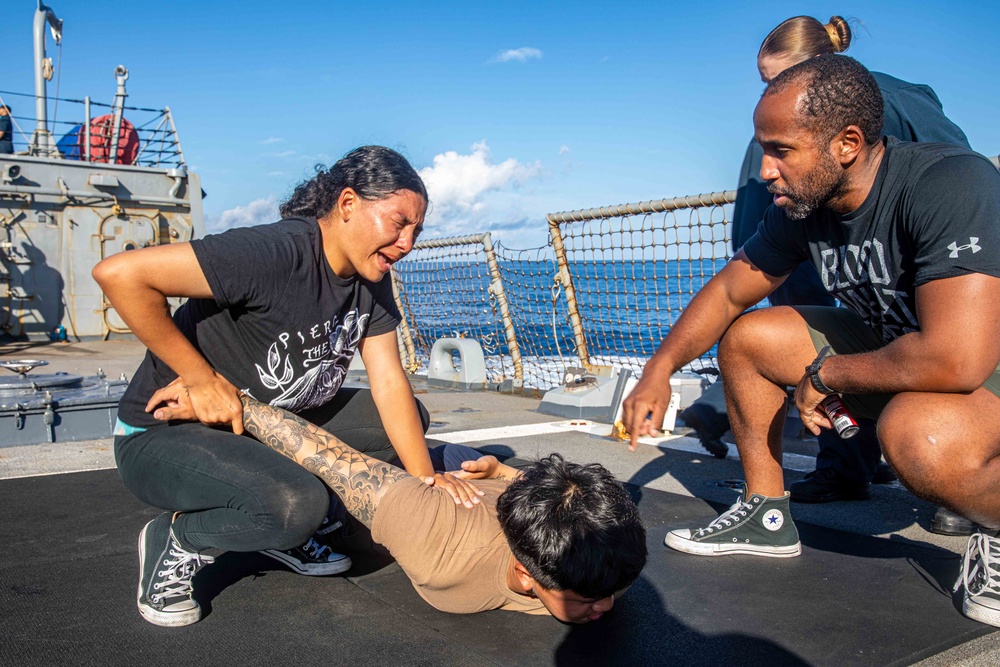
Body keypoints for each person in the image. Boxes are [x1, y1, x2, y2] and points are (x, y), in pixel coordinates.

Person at [622, 55, 1000, 628]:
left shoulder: (950, 181)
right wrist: (659, 368)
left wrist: (826, 376)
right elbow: (729, 291)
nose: (766, 170)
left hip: (979, 370)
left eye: (781, 150)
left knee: (918, 436)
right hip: (912, 354)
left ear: (847, 142)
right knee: (749, 338)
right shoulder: (808, 205)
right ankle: (765, 514)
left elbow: (956, 359)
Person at [93, 146, 487, 627]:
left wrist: (426, 481)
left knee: (407, 426)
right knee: (295, 504)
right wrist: (202, 379)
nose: (407, 243)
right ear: (347, 205)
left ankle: (287, 529)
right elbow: (119, 275)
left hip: (262, 425)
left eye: (416, 231)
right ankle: (178, 538)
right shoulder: (274, 254)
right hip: (163, 435)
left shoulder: (370, 273)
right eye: (398, 223)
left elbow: (387, 379)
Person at [679, 16, 972, 522]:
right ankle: (873, 467)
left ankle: (877, 467)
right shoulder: (888, 103)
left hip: (917, 285)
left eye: (776, 80)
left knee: (905, 399)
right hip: (888, 278)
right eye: (765, 83)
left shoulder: (832, 116)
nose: (770, 93)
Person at [143, 393, 647, 624]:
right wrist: (237, 404)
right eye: (584, 601)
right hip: (432, 494)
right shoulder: (439, 542)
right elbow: (330, 458)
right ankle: (181, 537)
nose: (603, 607)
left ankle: (459, 461)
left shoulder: (609, 568)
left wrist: (500, 474)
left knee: (475, 466)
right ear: (522, 572)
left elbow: (567, 494)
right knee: (302, 503)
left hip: (482, 478)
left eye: (605, 596)